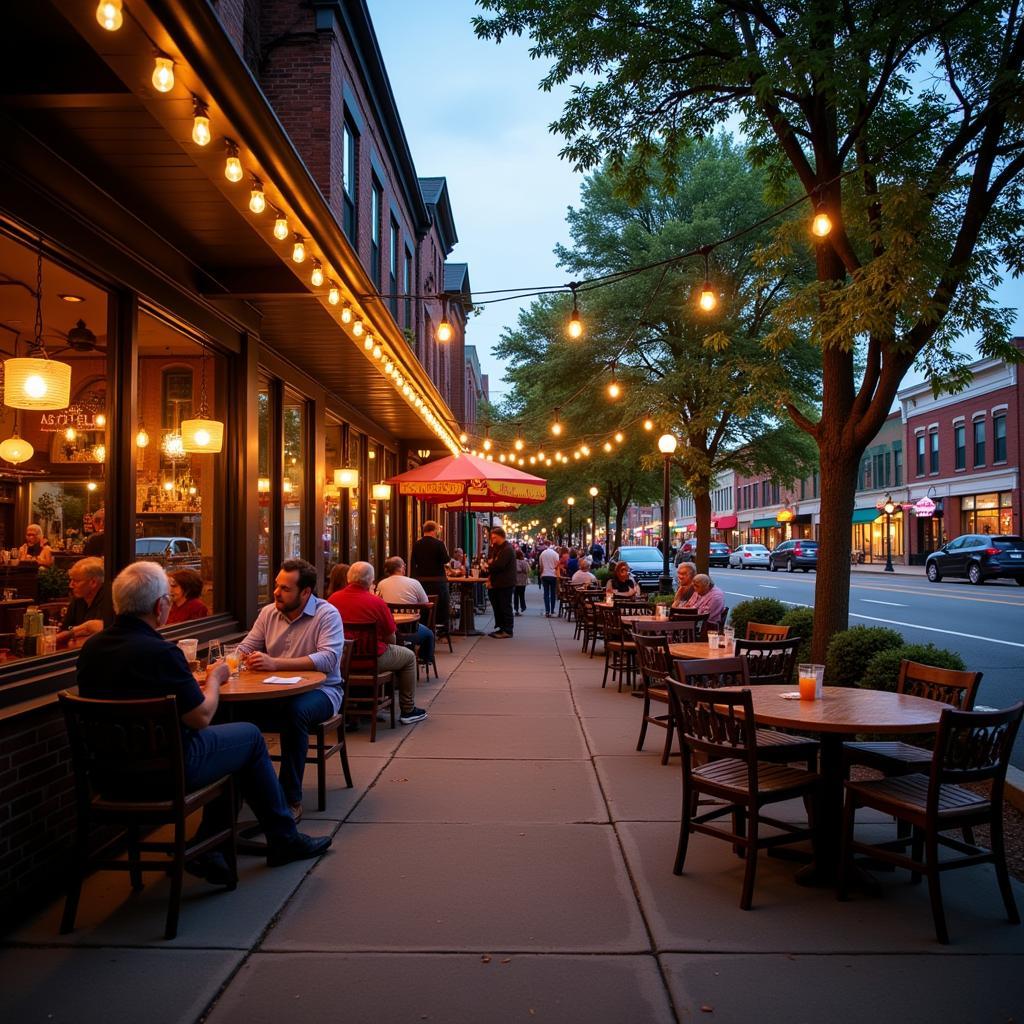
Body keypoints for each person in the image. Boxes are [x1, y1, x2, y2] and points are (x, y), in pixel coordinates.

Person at [75, 561, 331, 881]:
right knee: (248, 738)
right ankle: (279, 840)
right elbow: (201, 717)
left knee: (234, 741)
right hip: (172, 769)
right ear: (160, 606)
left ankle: (212, 846)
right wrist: (213, 680)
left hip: (107, 776)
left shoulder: (91, 650)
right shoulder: (161, 653)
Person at [236, 558, 344, 822]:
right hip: (273, 692)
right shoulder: (268, 613)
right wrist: (232, 659)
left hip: (323, 692)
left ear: (305, 592)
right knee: (230, 713)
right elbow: (245, 647)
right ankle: (233, 798)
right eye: (276, 585)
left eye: (285, 588)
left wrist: (275, 663)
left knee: (295, 714)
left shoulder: (326, 614)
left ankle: (289, 798)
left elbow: (328, 659)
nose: (276, 592)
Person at [330, 562, 426, 724]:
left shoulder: (333, 599)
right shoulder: (376, 602)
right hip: (373, 658)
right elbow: (391, 637)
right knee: (409, 657)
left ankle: (353, 709)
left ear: (348, 578)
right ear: (370, 580)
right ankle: (408, 710)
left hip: (342, 660)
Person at [375, 555, 435, 665]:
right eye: (404, 566)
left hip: (388, 631)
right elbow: (426, 603)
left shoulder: (381, 584)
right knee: (429, 634)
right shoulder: (414, 583)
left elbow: (377, 602)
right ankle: (423, 659)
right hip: (410, 629)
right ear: (401, 567)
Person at [58, 557, 115, 644]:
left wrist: (72, 633)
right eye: (71, 580)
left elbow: (102, 635)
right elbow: (65, 629)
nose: (71, 585)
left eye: (76, 581)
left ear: (93, 582)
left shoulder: (110, 600)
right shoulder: (78, 599)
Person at [410, 520, 450, 626]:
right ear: (434, 530)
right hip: (438, 581)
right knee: (441, 605)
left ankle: (425, 625)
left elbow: (413, 562)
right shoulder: (439, 544)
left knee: (424, 605)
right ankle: (441, 630)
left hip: (422, 581)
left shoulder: (416, 544)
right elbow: (446, 560)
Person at [484, 526, 515, 638]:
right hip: (497, 583)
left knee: (505, 606)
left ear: (501, 536)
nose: (493, 540)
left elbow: (499, 565)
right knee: (498, 605)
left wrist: (490, 564)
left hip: (505, 583)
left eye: (495, 537)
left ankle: (507, 630)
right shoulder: (498, 548)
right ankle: (501, 627)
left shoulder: (507, 549)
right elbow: (492, 561)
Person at [538, 541, 560, 617]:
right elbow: (558, 564)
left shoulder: (542, 554)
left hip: (545, 575)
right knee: (553, 593)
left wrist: (541, 574)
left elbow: (541, 566)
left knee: (546, 593)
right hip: (553, 575)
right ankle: (552, 610)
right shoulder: (555, 554)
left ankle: (547, 610)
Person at [513, 546, 530, 616]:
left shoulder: (513, 562)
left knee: (515, 595)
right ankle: (523, 607)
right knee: (522, 595)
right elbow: (527, 570)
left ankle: (516, 609)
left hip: (515, 581)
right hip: (522, 581)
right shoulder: (524, 562)